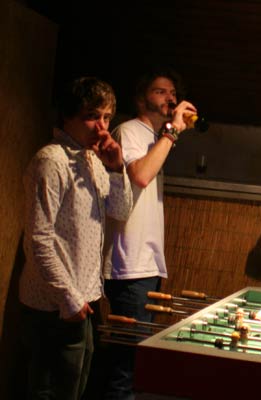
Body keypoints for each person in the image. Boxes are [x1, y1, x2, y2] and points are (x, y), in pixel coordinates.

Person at [19, 77, 133, 400]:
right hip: (53, 304)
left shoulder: (93, 159)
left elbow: (121, 210)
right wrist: (68, 299)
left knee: (76, 388)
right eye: (92, 116)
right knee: (49, 391)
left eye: (107, 117)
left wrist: (116, 168)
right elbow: (38, 239)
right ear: (68, 116)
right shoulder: (51, 160)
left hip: (84, 298)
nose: (102, 127)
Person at [102, 68, 198, 399]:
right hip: (129, 264)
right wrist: (171, 132)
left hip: (146, 263)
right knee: (123, 368)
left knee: (134, 362)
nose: (170, 97)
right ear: (142, 98)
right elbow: (140, 176)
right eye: (160, 91)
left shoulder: (155, 137)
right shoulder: (129, 130)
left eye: (173, 92)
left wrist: (168, 135)